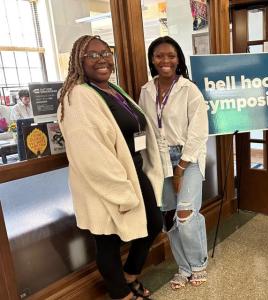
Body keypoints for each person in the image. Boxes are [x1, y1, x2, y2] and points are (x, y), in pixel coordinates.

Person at [57, 35, 164, 300]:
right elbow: (91, 155)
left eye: (105, 53)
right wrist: (121, 191)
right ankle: (120, 294)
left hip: (134, 173)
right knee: (108, 239)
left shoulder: (112, 90)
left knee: (153, 223)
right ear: (78, 61)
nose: (102, 59)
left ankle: (129, 277)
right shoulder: (78, 96)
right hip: (104, 182)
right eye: (92, 55)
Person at [139, 36, 208, 290]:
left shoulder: (189, 89)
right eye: (159, 56)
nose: (165, 60)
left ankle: (198, 264)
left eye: (171, 55)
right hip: (158, 160)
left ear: (178, 59)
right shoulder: (146, 90)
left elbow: (199, 132)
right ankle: (184, 267)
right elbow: (147, 127)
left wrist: (181, 167)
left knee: (186, 214)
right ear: (152, 60)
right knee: (169, 217)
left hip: (186, 157)